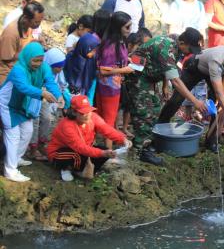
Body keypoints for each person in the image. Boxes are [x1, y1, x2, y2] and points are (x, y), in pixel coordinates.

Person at [126, 35, 208, 164]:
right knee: (145, 114)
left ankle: (147, 144)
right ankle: (138, 152)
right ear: (182, 43)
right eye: (190, 48)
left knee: (156, 108)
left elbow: (167, 67)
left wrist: (164, 85)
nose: (191, 52)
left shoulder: (175, 48)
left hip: (148, 78)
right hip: (137, 78)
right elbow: (175, 81)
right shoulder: (165, 49)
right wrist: (195, 101)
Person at [158, 45, 224, 151]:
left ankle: (211, 140)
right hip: (195, 67)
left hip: (213, 73)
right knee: (177, 98)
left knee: (218, 104)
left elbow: (223, 90)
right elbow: (219, 92)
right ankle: (160, 125)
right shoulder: (217, 60)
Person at [0, 42, 62, 182]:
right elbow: (23, 87)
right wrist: (42, 94)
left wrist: (58, 95)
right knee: (13, 135)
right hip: (7, 105)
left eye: (40, 60)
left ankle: (16, 158)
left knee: (27, 132)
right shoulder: (18, 70)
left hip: (22, 105)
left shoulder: (44, 67)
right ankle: (10, 170)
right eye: (34, 60)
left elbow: (50, 82)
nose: (38, 64)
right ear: (27, 58)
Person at [46, 95, 129, 182]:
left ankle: (82, 168)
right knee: (78, 155)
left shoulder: (93, 116)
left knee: (104, 150)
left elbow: (106, 129)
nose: (87, 115)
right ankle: (66, 168)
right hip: (60, 152)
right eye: (82, 113)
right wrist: (102, 153)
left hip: (82, 149)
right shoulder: (67, 126)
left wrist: (122, 139)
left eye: (88, 111)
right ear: (74, 112)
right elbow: (80, 147)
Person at [96, 11, 134, 148]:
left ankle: (96, 143)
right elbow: (103, 69)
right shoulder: (110, 45)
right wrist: (124, 70)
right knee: (109, 118)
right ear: (118, 27)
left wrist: (127, 61)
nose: (130, 30)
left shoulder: (119, 42)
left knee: (104, 116)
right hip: (109, 88)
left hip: (113, 85)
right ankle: (109, 151)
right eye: (127, 27)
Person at [29, 48, 71, 160]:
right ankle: (32, 149)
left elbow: (56, 84)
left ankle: (42, 144)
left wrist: (60, 97)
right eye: (58, 67)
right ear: (50, 64)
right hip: (33, 96)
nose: (61, 69)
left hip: (46, 98)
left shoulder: (58, 73)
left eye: (62, 66)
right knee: (35, 120)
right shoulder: (39, 69)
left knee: (47, 118)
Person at [64, 9, 111, 101]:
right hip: (81, 80)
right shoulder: (91, 40)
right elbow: (89, 59)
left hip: (84, 79)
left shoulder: (92, 38)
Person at [0, 2, 45, 84]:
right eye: (36, 22)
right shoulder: (11, 33)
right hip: (6, 72)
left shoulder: (29, 26)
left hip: (20, 67)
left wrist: (35, 44)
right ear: (26, 18)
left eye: (40, 21)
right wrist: (28, 51)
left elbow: (25, 44)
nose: (38, 25)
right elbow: (6, 59)